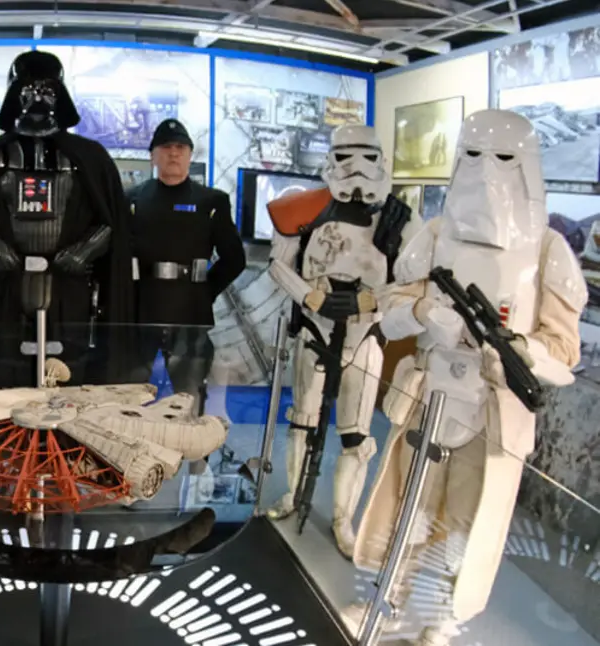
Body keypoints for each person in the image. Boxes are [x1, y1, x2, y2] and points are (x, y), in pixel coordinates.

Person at [340, 110, 585, 645]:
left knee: (469, 520)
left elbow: (565, 350)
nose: (485, 172)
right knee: (408, 503)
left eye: (500, 159)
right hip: (430, 392)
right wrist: (426, 315)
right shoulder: (433, 233)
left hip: (493, 409)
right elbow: (392, 301)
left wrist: (519, 352)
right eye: (472, 156)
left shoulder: (547, 252)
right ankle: (387, 600)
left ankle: (442, 621)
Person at [0, 50, 136, 398]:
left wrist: (84, 251)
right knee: (0, 378)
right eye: (29, 87)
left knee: (68, 380)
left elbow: (111, 222)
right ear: (14, 92)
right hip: (0, 292)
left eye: (47, 88)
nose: (38, 95)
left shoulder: (90, 158)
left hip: (69, 291)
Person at [265, 124, 419, 558]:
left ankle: (342, 518)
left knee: (355, 436)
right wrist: (310, 295)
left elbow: (416, 280)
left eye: (366, 156)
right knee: (302, 422)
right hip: (315, 329)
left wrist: (374, 298)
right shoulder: (305, 208)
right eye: (346, 155)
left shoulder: (401, 221)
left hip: (364, 334)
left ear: (380, 159)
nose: (356, 168)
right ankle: (293, 496)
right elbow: (279, 266)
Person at [127, 118, 245, 414]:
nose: (173, 153)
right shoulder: (131, 199)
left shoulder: (211, 201)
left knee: (188, 401)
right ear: (153, 155)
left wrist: (204, 293)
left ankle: (193, 459)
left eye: (181, 147)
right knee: (128, 399)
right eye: (166, 147)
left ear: (190, 155)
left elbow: (234, 259)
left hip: (189, 315)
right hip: (140, 311)